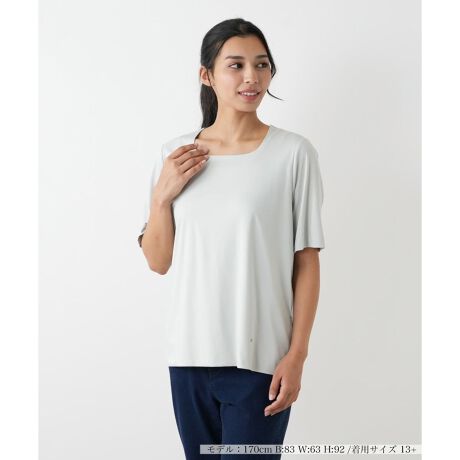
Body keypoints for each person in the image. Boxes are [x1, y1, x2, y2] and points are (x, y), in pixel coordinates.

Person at [138, 18, 325, 460]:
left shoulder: (293, 153)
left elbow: (306, 261)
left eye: (261, 65)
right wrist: (162, 197)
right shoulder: (175, 155)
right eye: (236, 65)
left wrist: (296, 356)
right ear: (206, 75)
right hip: (188, 358)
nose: (251, 77)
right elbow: (158, 261)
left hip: (260, 362)